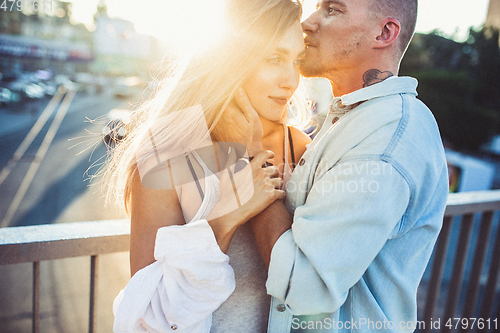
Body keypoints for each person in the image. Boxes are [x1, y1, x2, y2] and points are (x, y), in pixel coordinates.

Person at [242, 0, 449, 332]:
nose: (308, 22)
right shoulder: (358, 117)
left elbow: (303, 283)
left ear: (385, 32)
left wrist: (251, 158)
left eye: (332, 9)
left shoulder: (386, 137)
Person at [107, 0, 311, 332]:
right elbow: (150, 314)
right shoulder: (167, 158)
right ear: (231, 60)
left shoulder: (299, 147)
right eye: (275, 59)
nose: (291, 81)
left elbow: (308, 279)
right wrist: (225, 217)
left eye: (297, 60)